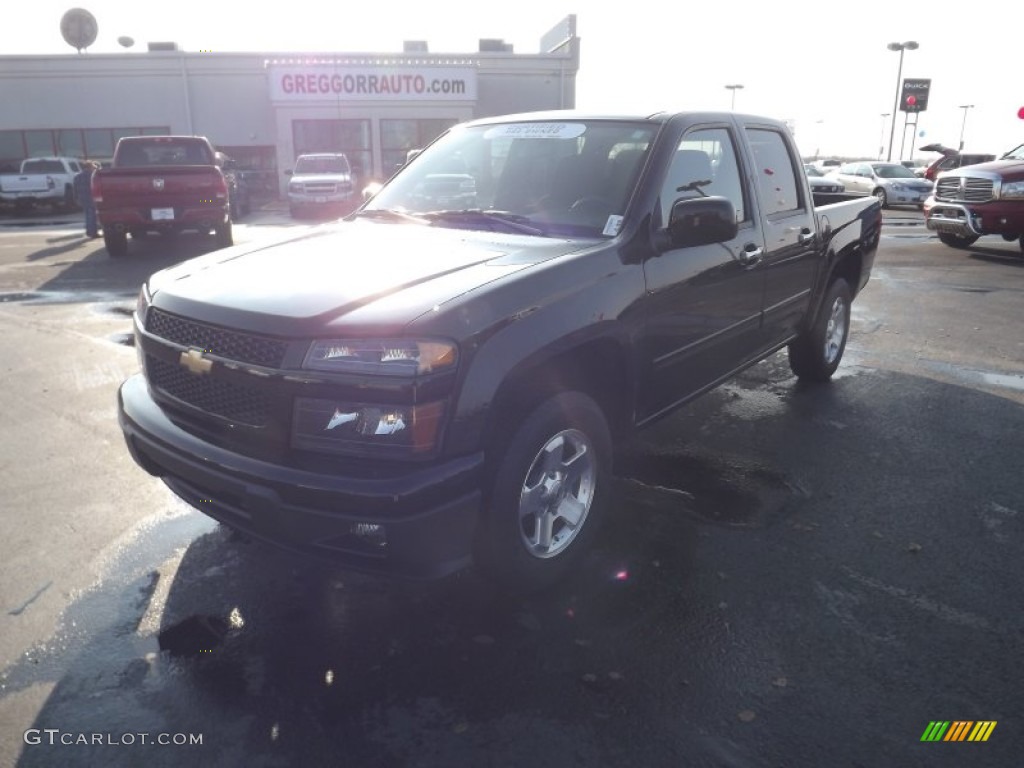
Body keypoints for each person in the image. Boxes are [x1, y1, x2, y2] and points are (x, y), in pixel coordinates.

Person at [73, 161, 99, 238]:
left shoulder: (77, 176)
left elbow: (74, 188)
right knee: (92, 215)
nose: (94, 168)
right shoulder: (91, 175)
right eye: (93, 167)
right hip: (91, 197)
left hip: (82, 198)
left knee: (87, 215)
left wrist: (76, 198)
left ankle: (89, 231)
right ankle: (92, 232)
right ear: (89, 167)